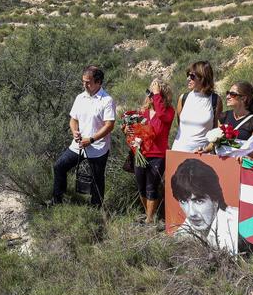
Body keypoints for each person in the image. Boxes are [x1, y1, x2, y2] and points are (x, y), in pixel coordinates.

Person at [52, 66, 116, 207]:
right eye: (83, 81)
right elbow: (73, 119)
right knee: (59, 166)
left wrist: (92, 139)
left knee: (97, 179)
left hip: (98, 147)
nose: (85, 85)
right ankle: (57, 202)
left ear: (98, 82)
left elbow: (109, 125)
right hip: (79, 145)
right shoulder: (80, 97)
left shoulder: (107, 100)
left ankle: (96, 209)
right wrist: (74, 131)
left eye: (88, 82)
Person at [122, 78, 175, 224]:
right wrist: (126, 130)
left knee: (151, 186)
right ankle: (149, 215)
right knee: (141, 187)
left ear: (162, 96)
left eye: (155, 94)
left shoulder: (168, 112)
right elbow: (134, 130)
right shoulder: (143, 112)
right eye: (150, 93)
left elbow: (161, 117)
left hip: (158, 155)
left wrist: (157, 95)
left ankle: (149, 220)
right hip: (141, 153)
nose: (151, 96)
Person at [170, 158, 238, 252]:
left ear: (215, 200)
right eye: (183, 201)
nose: (191, 213)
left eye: (199, 201)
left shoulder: (232, 228)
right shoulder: (196, 219)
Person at [171, 61, 223, 153]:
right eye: (188, 75)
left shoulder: (215, 100)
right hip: (178, 151)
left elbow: (216, 129)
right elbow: (180, 124)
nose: (188, 79)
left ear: (202, 78)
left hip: (202, 153)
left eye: (192, 76)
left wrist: (208, 149)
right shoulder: (183, 98)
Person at [216, 81, 253, 156]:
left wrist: (243, 155)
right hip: (219, 160)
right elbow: (215, 141)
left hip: (238, 162)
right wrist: (204, 150)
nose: (227, 97)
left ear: (243, 98)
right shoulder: (224, 116)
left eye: (232, 94)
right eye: (228, 93)